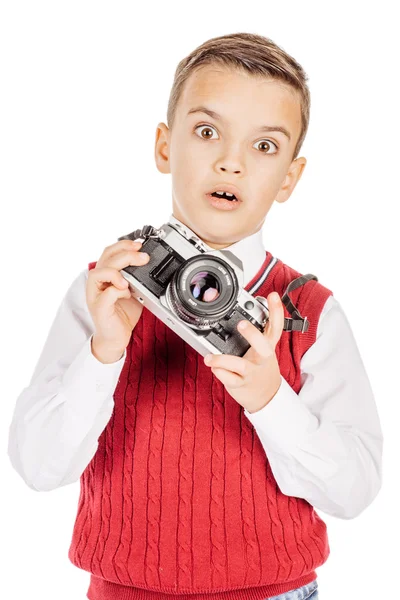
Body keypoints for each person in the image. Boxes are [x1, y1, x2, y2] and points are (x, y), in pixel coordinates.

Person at [7, 32, 383, 600]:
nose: (230, 162)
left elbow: (355, 490)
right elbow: (38, 467)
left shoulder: (309, 311)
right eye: (207, 132)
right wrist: (104, 351)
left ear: (290, 177)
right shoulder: (108, 289)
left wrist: (270, 398)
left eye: (264, 147)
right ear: (164, 146)